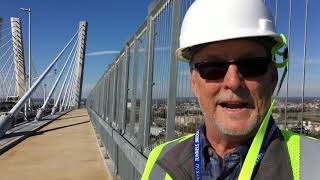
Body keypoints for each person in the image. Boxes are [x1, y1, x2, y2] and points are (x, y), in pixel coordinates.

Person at [142, 0, 320, 179]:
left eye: (251, 65)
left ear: (272, 77)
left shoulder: (314, 163)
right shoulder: (160, 162)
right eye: (212, 68)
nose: (233, 82)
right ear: (193, 82)